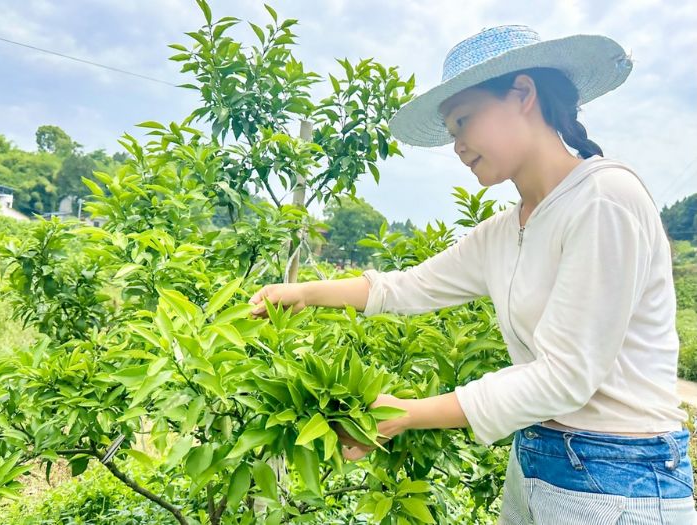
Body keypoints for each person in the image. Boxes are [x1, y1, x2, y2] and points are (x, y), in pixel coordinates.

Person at [249, 25, 696, 524]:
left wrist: (405, 414)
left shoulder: (604, 198)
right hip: (537, 460)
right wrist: (304, 292)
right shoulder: (506, 230)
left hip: (619, 477)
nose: (457, 145)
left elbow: (566, 377)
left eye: (463, 121)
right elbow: (408, 286)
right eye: (452, 131)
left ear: (523, 93)